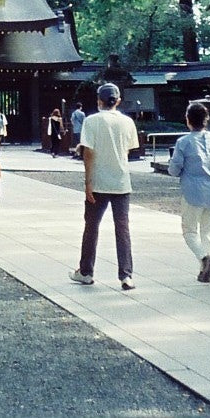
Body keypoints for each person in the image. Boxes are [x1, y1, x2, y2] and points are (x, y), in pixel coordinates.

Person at [69, 83, 139, 290]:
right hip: (121, 181)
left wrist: (87, 182)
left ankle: (86, 271)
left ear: (98, 100)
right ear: (117, 101)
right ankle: (126, 275)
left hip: (98, 181)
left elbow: (88, 153)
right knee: (122, 229)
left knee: (91, 227)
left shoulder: (92, 121)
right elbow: (127, 151)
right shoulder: (127, 122)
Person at [168, 99, 210, 283]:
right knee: (207, 231)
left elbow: (174, 169)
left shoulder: (183, 142)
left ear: (188, 120)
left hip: (192, 191)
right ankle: (204, 269)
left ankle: (203, 258)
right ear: (206, 120)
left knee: (189, 231)